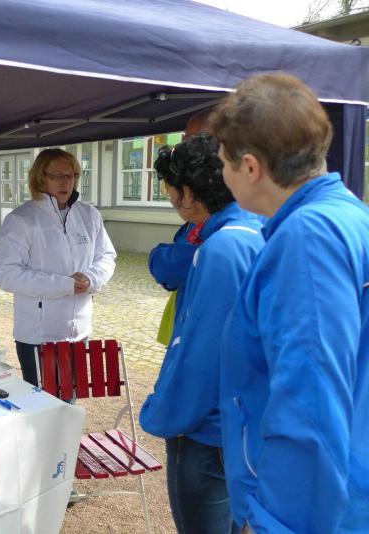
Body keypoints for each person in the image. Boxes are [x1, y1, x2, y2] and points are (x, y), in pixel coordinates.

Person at [211, 73, 369, 533]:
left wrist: (276, 524)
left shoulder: (308, 236)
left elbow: (310, 400)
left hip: (319, 511)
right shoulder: (349, 216)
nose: (222, 175)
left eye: (223, 162)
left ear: (250, 167)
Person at [139, 134, 264, 534]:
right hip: (247, 423)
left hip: (209, 431)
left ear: (188, 193)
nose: (171, 200)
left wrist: (163, 413)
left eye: (170, 191)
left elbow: (200, 352)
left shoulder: (221, 248)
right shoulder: (257, 227)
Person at [0, 148, 117, 386]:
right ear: (40, 178)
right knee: (42, 401)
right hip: (38, 335)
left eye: (70, 175)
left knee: (70, 398)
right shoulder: (21, 219)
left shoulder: (89, 215)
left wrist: (91, 278)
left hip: (79, 330)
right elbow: (7, 274)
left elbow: (106, 256)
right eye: (57, 175)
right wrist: (64, 285)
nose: (65, 182)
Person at [149, 110, 211, 346]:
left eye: (192, 139)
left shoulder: (227, 235)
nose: (185, 146)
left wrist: (160, 256)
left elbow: (171, 267)